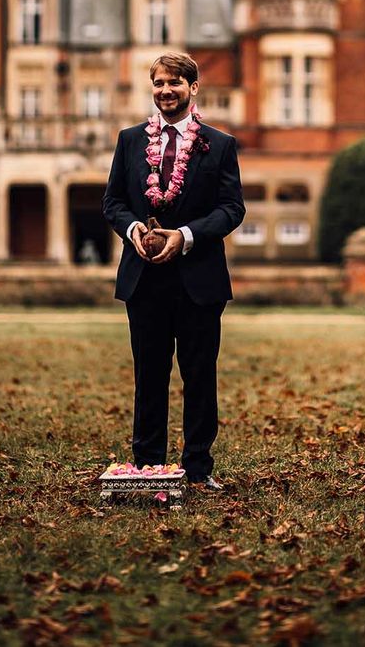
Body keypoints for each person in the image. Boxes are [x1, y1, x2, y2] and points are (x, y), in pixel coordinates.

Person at [102, 52, 245, 490]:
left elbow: (232, 209)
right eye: (159, 83)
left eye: (175, 83)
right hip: (143, 279)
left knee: (199, 376)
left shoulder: (218, 144)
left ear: (193, 88)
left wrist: (182, 235)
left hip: (199, 280)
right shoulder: (129, 141)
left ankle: (199, 470)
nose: (166, 91)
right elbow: (113, 203)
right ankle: (148, 469)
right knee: (149, 375)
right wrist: (133, 232)